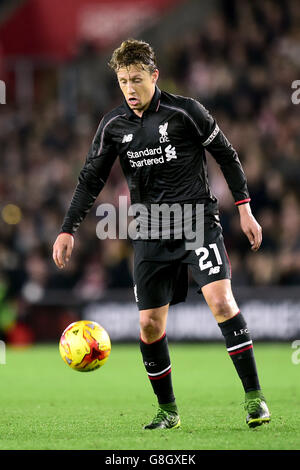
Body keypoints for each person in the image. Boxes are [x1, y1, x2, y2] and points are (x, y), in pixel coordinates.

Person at [52, 39, 271, 430]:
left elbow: (226, 154)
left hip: (195, 222)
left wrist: (245, 209)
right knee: (150, 326)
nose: (130, 89)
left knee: (221, 302)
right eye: (122, 81)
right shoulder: (113, 125)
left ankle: (255, 399)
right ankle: (168, 411)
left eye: (137, 79)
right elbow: (90, 180)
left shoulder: (186, 111)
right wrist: (67, 229)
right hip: (150, 230)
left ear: (154, 75)